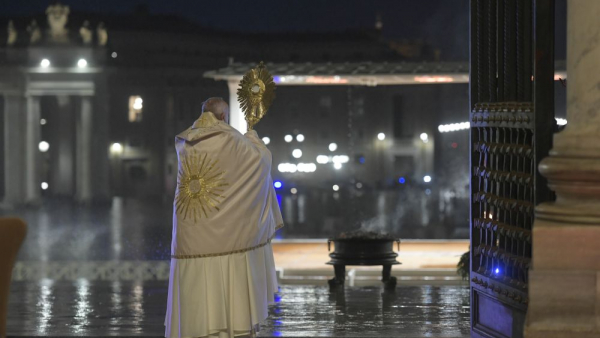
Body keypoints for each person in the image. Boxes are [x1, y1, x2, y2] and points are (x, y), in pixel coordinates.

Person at [165, 97, 283, 338]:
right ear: (222, 117)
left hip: (190, 232)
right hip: (226, 235)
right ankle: (229, 328)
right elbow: (259, 163)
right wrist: (253, 138)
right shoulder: (230, 138)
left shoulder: (184, 141)